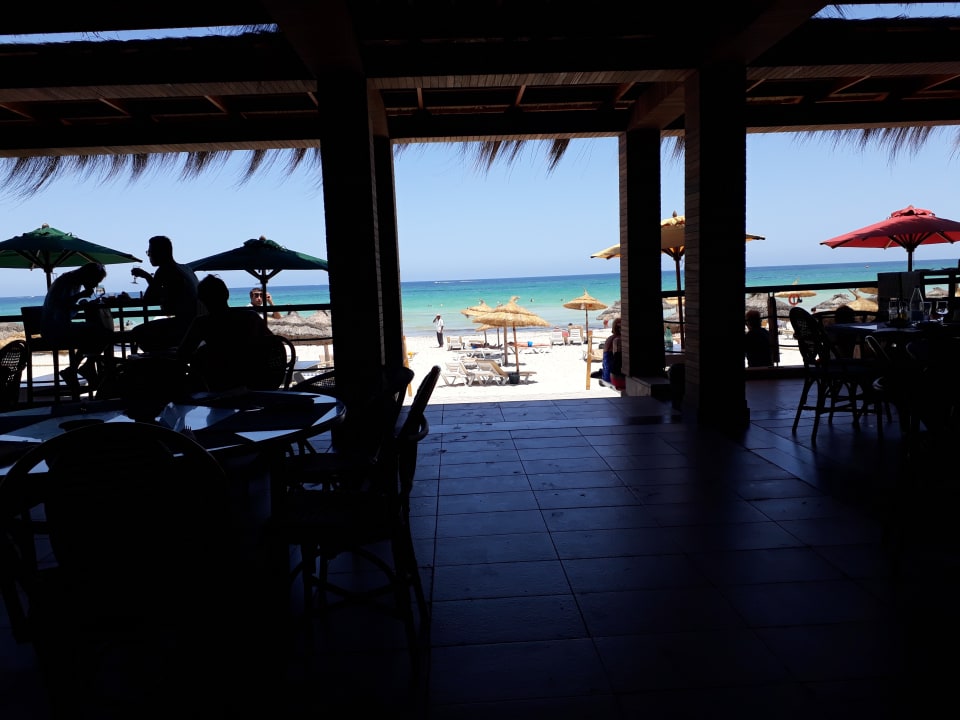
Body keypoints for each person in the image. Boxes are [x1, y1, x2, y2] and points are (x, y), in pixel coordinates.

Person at [178, 275, 276, 392]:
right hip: (253, 380)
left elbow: (182, 354)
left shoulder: (202, 323)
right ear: (227, 294)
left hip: (219, 383)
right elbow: (273, 343)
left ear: (201, 299)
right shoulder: (251, 317)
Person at [41, 261, 112, 392]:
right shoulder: (67, 282)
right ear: (88, 276)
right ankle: (85, 368)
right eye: (95, 281)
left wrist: (81, 302)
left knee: (96, 333)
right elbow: (60, 306)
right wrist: (81, 296)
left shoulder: (71, 281)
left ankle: (77, 369)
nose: (95, 285)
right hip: (55, 330)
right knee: (103, 334)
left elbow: (64, 306)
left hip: (55, 326)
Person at [130, 235, 202, 352]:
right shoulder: (186, 268)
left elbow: (149, 299)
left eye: (150, 252)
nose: (149, 255)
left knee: (138, 333)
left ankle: (162, 360)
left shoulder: (165, 269)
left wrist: (147, 276)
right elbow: (164, 294)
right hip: (196, 324)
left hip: (184, 326)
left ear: (160, 253)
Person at [601, 317, 625, 390]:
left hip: (606, 374)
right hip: (612, 376)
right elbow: (618, 360)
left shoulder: (610, 338)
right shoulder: (617, 340)